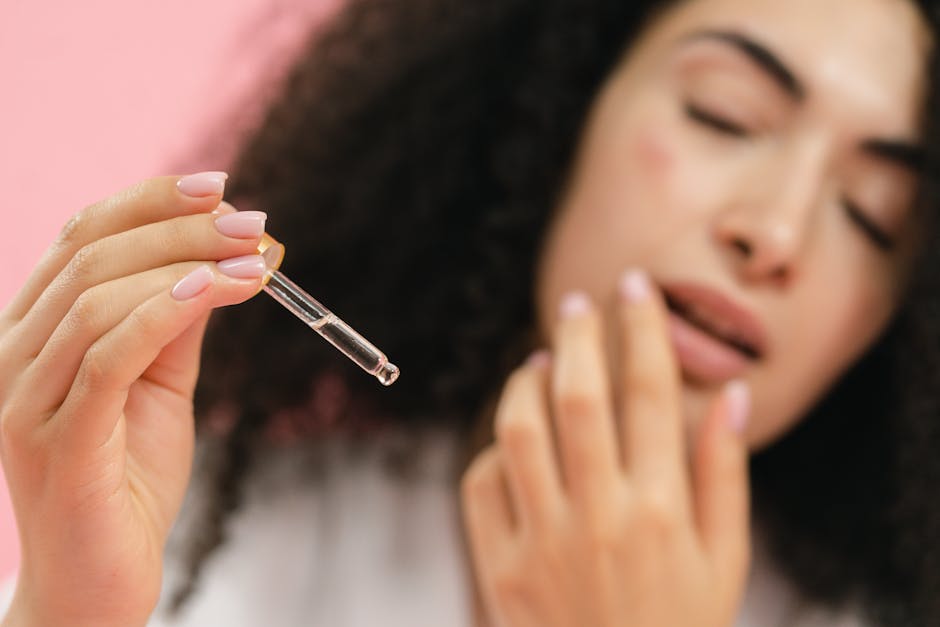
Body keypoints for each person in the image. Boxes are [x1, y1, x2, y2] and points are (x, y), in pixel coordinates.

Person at [2, 0, 940, 624]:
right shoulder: (215, 541)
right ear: (562, 118)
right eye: (724, 115)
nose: (775, 232)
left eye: (874, 215)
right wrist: (67, 603)